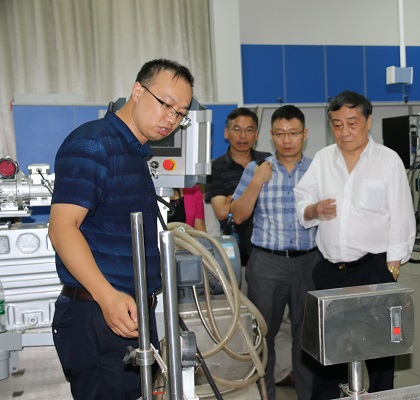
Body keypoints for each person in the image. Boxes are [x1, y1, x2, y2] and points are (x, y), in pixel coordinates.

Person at [49, 59, 194, 400]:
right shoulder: (93, 144)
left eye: (180, 113)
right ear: (137, 91)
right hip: (100, 314)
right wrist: (106, 296)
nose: (171, 119)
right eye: (166, 105)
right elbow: (62, 228)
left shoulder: (135, 151)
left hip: (130, 311)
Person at [294, 91, 416, 398]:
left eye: (352, 123)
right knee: (329, 354)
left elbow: (402, 216)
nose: (344, 132)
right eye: (337, 125)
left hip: (373, 270)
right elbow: (302, 200)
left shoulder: (387, 161)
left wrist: (392, 268)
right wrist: (314, 209)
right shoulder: (323, 159)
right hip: (330, 272)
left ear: (368, 121)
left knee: (378, 352)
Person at [230, 105, 320, 400]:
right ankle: (265, 397)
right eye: (280, 134)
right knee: (262, 337)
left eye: (293, 133)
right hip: (267, 263)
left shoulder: (317, 170)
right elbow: (238, 215)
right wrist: (256, 183)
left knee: (307, 338)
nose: (287, 140)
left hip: (309, 262)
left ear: (304, 134)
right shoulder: (257, 169)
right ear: (271, 135)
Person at [205, 107, 271, 265]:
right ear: (226, 133)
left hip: (268, 246)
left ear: (256, 134)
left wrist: (232, 199)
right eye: (237, 129)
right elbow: (222, 212)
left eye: (249, 130)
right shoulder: (215, 167)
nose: (242, 136)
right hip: (236, 249)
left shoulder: (267, 161)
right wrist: (255, 189)